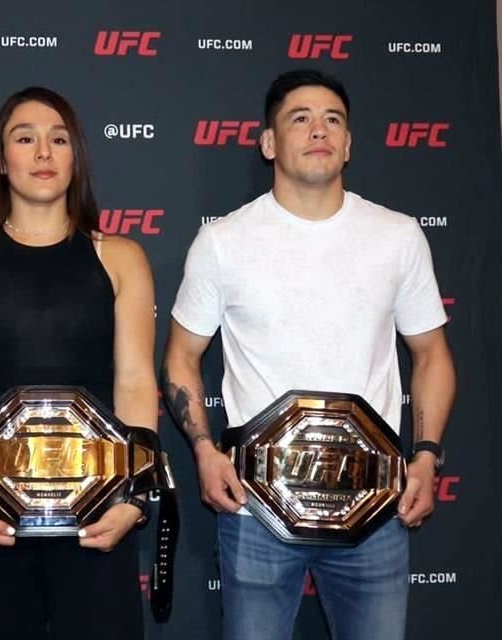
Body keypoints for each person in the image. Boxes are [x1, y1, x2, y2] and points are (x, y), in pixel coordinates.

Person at [162, 68, 456, 640]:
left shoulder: (398, 237)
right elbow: (180, 356)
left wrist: (425, 456)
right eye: (300, 118)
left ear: (348, 144)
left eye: (333, 120)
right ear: (270, 142)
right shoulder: (222, 243)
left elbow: (432, 355)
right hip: (255, 508)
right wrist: (202, 448)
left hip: (376, 504)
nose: (318, 130)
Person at [0, 86, 158, 640]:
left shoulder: (121, 257)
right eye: (25, 139)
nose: (43, 153)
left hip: (101, 510)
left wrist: (135, 496)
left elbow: (135, 380)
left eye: (58, 139)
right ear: (2, 162)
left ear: (75, 158)